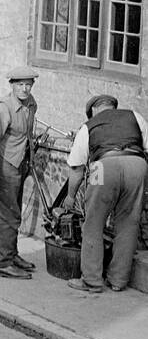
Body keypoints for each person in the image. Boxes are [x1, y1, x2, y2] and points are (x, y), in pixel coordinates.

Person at [63, 94, 148, 293]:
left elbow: (76, 168)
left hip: (102, 166)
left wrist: (70, 196)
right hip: (137, 165)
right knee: (129, 223)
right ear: (114, 107)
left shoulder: (88, 126)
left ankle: (91, 280)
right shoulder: (135, 116)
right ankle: (118, 281)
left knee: (93, 222)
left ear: (93, 110)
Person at [0, 66, 40, 279]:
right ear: (12, 86)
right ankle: (2, 263)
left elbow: (28, 135)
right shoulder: (3, 109)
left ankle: (12, 254)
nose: (24, 89)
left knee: (12, 212)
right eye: (20, 85)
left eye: (28, 84)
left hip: (20, 164)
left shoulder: (31, 104)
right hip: (4, 165)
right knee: (10, 215)